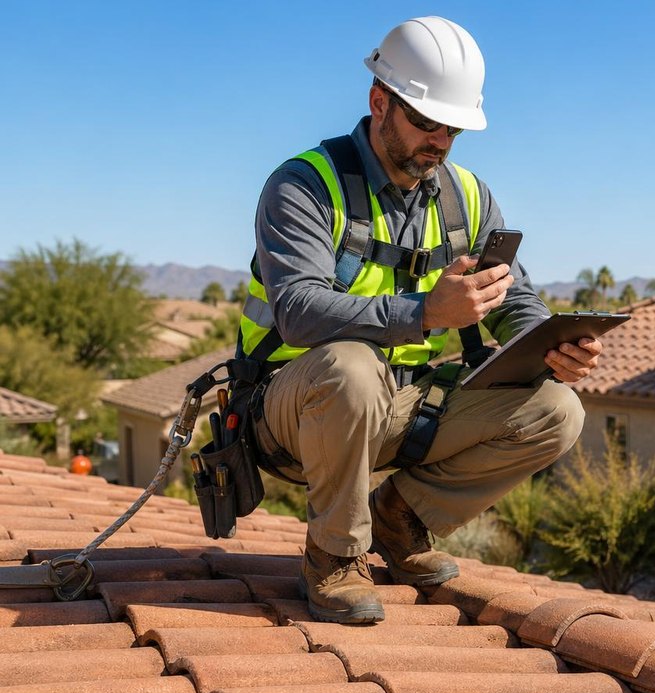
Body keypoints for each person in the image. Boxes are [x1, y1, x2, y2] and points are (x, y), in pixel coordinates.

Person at [236, 17, 601, 624]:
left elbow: (510, 296)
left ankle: (401, 519)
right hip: (297, 412)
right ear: (380, 102)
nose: (442, 140)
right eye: (427, 122)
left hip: (403, 407)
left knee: (556, 411)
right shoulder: (304, 185)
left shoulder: (469, 196)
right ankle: (334, 555)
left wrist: (551, 342)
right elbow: (298, 312)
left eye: (453, 128)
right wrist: (427, 312)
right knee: (350, 367)